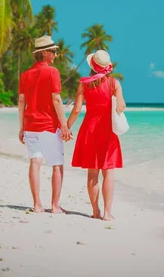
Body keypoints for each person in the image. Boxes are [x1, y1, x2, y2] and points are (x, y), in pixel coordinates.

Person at [67, 50, 126, 221]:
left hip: (89, 130)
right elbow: (120, 107)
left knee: (92, 173)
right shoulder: (114, 83)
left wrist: (66, 127)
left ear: (92, 66)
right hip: (107, 130)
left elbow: (77, 109)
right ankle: (108, 213)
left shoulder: (84, 84)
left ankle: (95, 211)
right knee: (108, 171)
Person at [18, 36, 72, 213]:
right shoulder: (52, 72)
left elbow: (21, 101)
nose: (56, 54)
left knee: (35, 162)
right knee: (56, 165)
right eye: (54, 51)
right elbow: (56, 99)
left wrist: (21, 127)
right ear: (45, 53)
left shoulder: (25, 75)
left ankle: (37, 205)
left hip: (30, 126)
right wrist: (64, 125)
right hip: (48, 125)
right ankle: (55, 206)